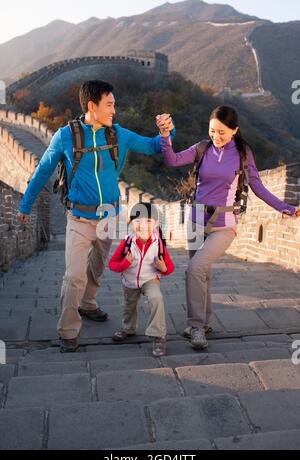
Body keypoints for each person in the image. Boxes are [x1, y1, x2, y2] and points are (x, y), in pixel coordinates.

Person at [17, 80, 175, 353]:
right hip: (79, 218)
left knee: (97, 267)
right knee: (74, 275)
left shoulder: (118, 135)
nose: (114, 109)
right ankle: (68, 332)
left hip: (109, 219)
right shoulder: (66, 136)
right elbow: (43, 170)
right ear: (92, 106)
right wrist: (25, 205)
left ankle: (88, 304)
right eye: (109, 104)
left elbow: (153, 147)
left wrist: (165, 132)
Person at [156, 105, 300, 350]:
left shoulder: (243, 154)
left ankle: (196, 326)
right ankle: (206, 321)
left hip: (224, 224)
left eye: (222, 132)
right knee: (202, 274)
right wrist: (165, 136)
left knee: (194, 269)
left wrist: (286, 208)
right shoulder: (202, 148)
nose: (216, 137)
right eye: (213, 131)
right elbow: (173, 160)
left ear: (235, 130)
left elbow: (258, 187)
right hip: (195, 219)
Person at [108, 203, 175, 357]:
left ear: (156, 224)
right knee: (129, 306)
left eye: (148, 221)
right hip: (130, 281)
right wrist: (125, 263)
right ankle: (128, 329)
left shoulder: (158, 244)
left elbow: (169, 268)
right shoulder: (127, 243)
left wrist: (163, 268)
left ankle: (158, 336)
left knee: (156, 298)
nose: (143, 226)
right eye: (138, 221)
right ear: (131, 223)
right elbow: (112, 264)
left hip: (150, 279)